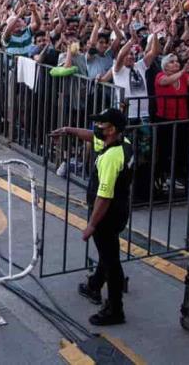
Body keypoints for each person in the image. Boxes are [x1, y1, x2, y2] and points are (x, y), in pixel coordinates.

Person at [50, 108, 133, 326]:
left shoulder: (110, 158)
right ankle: (94, 285)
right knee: (108, 252)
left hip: (107, 215)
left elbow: (103, 198)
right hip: (120, 209)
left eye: (101, 125)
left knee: (111, 260)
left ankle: (115, 309)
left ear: (112, 130)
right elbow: (90, 135)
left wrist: (91, 225)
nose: (96, 128)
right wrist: (68, 130)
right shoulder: (123, 144)